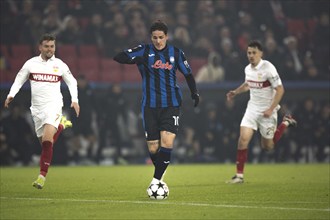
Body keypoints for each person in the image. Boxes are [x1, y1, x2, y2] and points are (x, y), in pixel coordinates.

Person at [113, 20, 199, 190]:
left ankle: (155, 182)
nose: (158, 41)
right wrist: (134, 59)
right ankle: (160, 175)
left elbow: (188, 75)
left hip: (171, 104)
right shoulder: (144, 50)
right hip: (149, 106)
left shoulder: (176, 53)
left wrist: (194, 92)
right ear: (150, 37)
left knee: (167, 141)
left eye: (161, 37)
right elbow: (118, 57)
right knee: (153, 148)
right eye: (154, 38)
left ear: (167, 36)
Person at [4, 33, 80, 189]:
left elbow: (72, 82)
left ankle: (41, 176)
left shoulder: (60, 65)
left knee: (46, 140)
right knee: (46, 144)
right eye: (46, 46)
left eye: (52, 46)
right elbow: (19, 79)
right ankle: (61, 126)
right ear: (40, 47)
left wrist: (74, 100)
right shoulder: (31, 64)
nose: (49, 49)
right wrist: (11, 94)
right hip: (37, 109)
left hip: (54, 106)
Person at [226, 41, 297, 184]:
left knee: (268, 147)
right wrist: (235, 92)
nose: (251, 55)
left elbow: (280, 89)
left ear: (261, 54)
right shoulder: (248, 69)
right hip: (252, 109)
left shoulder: (268, 68)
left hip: (267, 111)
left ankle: (285, 122)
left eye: (254, 53)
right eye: (249, 53)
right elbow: (248, 85)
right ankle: (239, 176)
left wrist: (271, 109)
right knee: (243, 139)